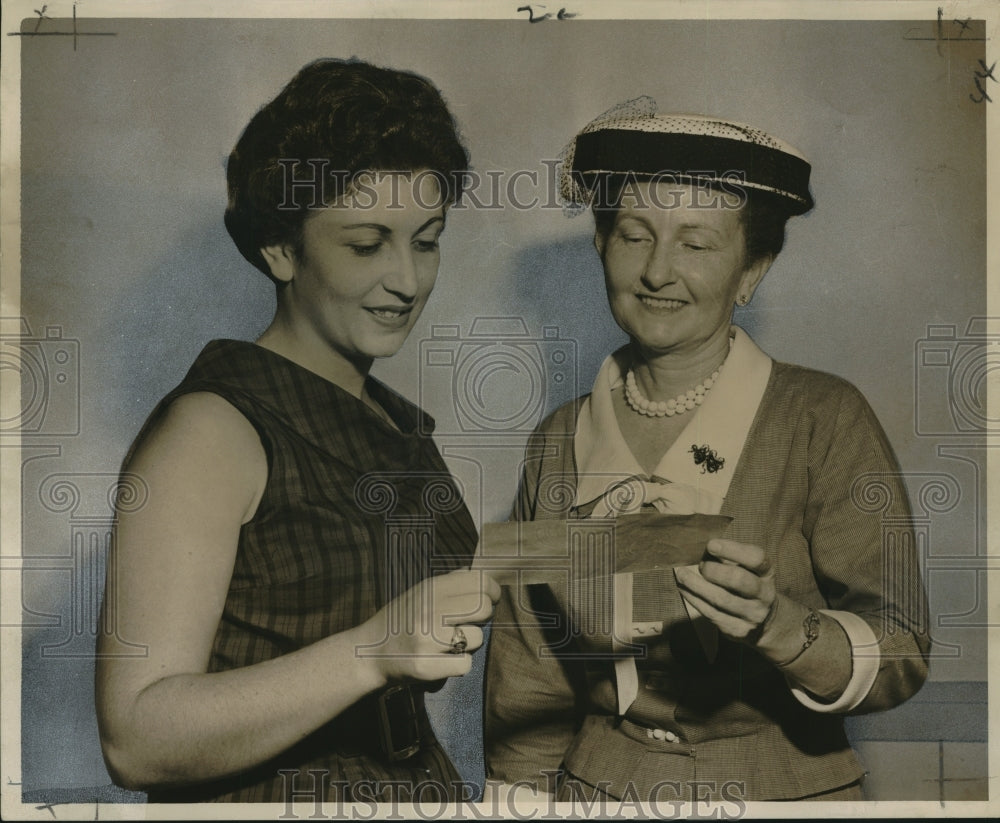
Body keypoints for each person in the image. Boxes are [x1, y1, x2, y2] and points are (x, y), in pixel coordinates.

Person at [484, 101, 930, 804]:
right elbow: (528, 671)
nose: (659, 271)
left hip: (786, 787)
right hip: (596, 787)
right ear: (600, 244)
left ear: (753, 268)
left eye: (696, 244)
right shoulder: (556, 442)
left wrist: (780, 626)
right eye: (634, 235)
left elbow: (901, 647)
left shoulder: (825, 417)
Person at [95, 57, 499, 804]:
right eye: (366, 243)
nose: (408, 280)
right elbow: (136, 735)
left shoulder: (390, 420)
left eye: (427, 238)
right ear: (281, 248)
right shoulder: (212, 429)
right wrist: (376, 650)